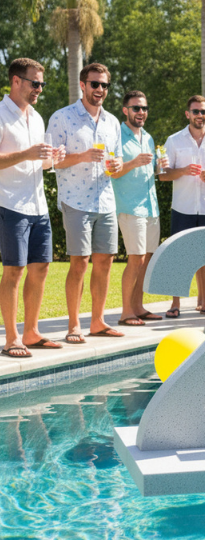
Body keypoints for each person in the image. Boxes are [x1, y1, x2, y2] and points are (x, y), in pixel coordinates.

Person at [47, 63, 124, 343]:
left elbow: (116, 163)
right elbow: (53, 160)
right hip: (75, 200)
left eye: (104, 85)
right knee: (79, 263)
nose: (100, 90)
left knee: (105, 261)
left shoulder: (113, 122)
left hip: (106, 200)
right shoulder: (62, 118)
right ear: (83, 85)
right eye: (94, 84)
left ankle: (98, 322)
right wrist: (81, 156)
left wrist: (117, 165)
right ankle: (73, 325)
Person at [0, 58, 65, 356]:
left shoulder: (37, 118)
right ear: (16, 81)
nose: (39, 88)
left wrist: (53, 158)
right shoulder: (1, 114)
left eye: (42, 83)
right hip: (10, 203)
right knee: (14, 270)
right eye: (34, 82)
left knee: (41, 266)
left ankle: (31, 331)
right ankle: (12, 337)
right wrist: (27, 153)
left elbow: (41, 162)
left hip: (38, 204)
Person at [160, 95, 205, 318]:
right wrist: (182, 171)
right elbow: (163, 175)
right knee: (179, 255)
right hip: (182, 207)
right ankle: (175, 304)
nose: (199, 115)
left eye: (203, 112)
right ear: (187, 114)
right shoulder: (174, 140)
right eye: (195, 111)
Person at [112, 90, 165, 327]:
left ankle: (138, 307)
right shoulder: (117, 136)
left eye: (144, 108)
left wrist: (159, 166)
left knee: (147, 259)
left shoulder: (149, 137)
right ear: (125, 110)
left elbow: (150, 170)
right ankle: (125, 312)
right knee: (136, 259)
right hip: (129, 205)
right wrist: (133, 162)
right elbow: (113, 171)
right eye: (136, 108)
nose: (141, 112)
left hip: (150, 206)